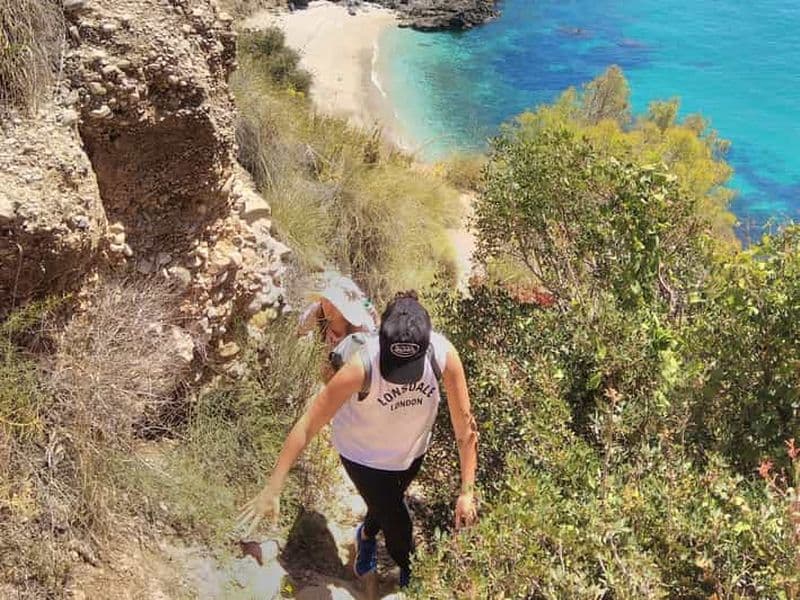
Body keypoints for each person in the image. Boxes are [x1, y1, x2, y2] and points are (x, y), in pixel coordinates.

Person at [237, 291, 479, 588]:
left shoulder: (444, 356)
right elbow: (308, 425)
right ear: (382, 342)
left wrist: (467, 491)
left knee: (385, 503)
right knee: (397, 522)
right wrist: (274, 485)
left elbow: (465, 429)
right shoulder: (361, 366)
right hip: (363, 456)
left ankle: (364, 535)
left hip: (412, 452)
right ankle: (412, 576)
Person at [297, 273, 378, 380]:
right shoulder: (317, 311)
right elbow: (300, 332)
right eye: (325, 300)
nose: (327, 306)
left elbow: (372, 363)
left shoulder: (361, 328)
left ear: (345, 307)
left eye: (334, 303)